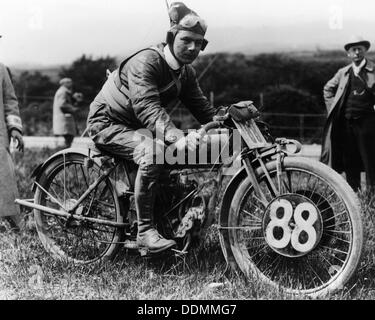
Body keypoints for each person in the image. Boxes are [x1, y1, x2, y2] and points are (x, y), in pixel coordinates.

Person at [86, 2, 216, 254]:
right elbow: (147, 107)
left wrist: (231, 121)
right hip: (107, 123)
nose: (193, 48)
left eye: (199, 43)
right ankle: (145, 232)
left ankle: (167, 223)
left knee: (172, 161)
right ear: (171, 37)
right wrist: (174, 136)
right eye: (187, 39)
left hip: (138, 127)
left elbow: (203, 110)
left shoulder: (185, 73)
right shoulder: (146, 61)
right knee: (154, 152)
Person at [321, 35, 375, 191]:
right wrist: (333, 108)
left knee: (370, 159)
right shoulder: (343, 72)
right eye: (353, 50)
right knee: (350, 159)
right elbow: (328, 89)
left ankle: (371, 195)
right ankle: (354, 193)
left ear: (365, 50)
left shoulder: (373, 70)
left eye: (360, 49)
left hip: (368, 124)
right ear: (348, 54)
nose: (357, 52)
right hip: (346, 124)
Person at [0, 39, 25, 231]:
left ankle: (12, 220)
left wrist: (15, 128)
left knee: (4, 176)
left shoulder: (1, 69)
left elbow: (10, 101)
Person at [53, 78, 79, 148]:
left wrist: (73, 99)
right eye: (69, 82)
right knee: (68, 137)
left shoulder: (64, 92)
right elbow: (62, 104)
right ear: (64, 84)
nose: (71, 84)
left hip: (65, 119)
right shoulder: (63, 92)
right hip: (65, 119)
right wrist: (73, 109)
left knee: (68, 137)